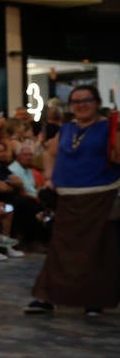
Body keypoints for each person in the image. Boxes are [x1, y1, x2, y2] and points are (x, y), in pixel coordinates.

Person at [26, 84, 120, 317]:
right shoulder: (66, 129)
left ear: (97, 103)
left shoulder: (109, 127)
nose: (81, 105)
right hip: (67, 197)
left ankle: (94, 300)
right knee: (61, 249)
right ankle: (47, 297)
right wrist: (50, 178)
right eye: (76, 101)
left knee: (96, 250)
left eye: (86, 100)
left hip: (100, 196)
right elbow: (50, 153)